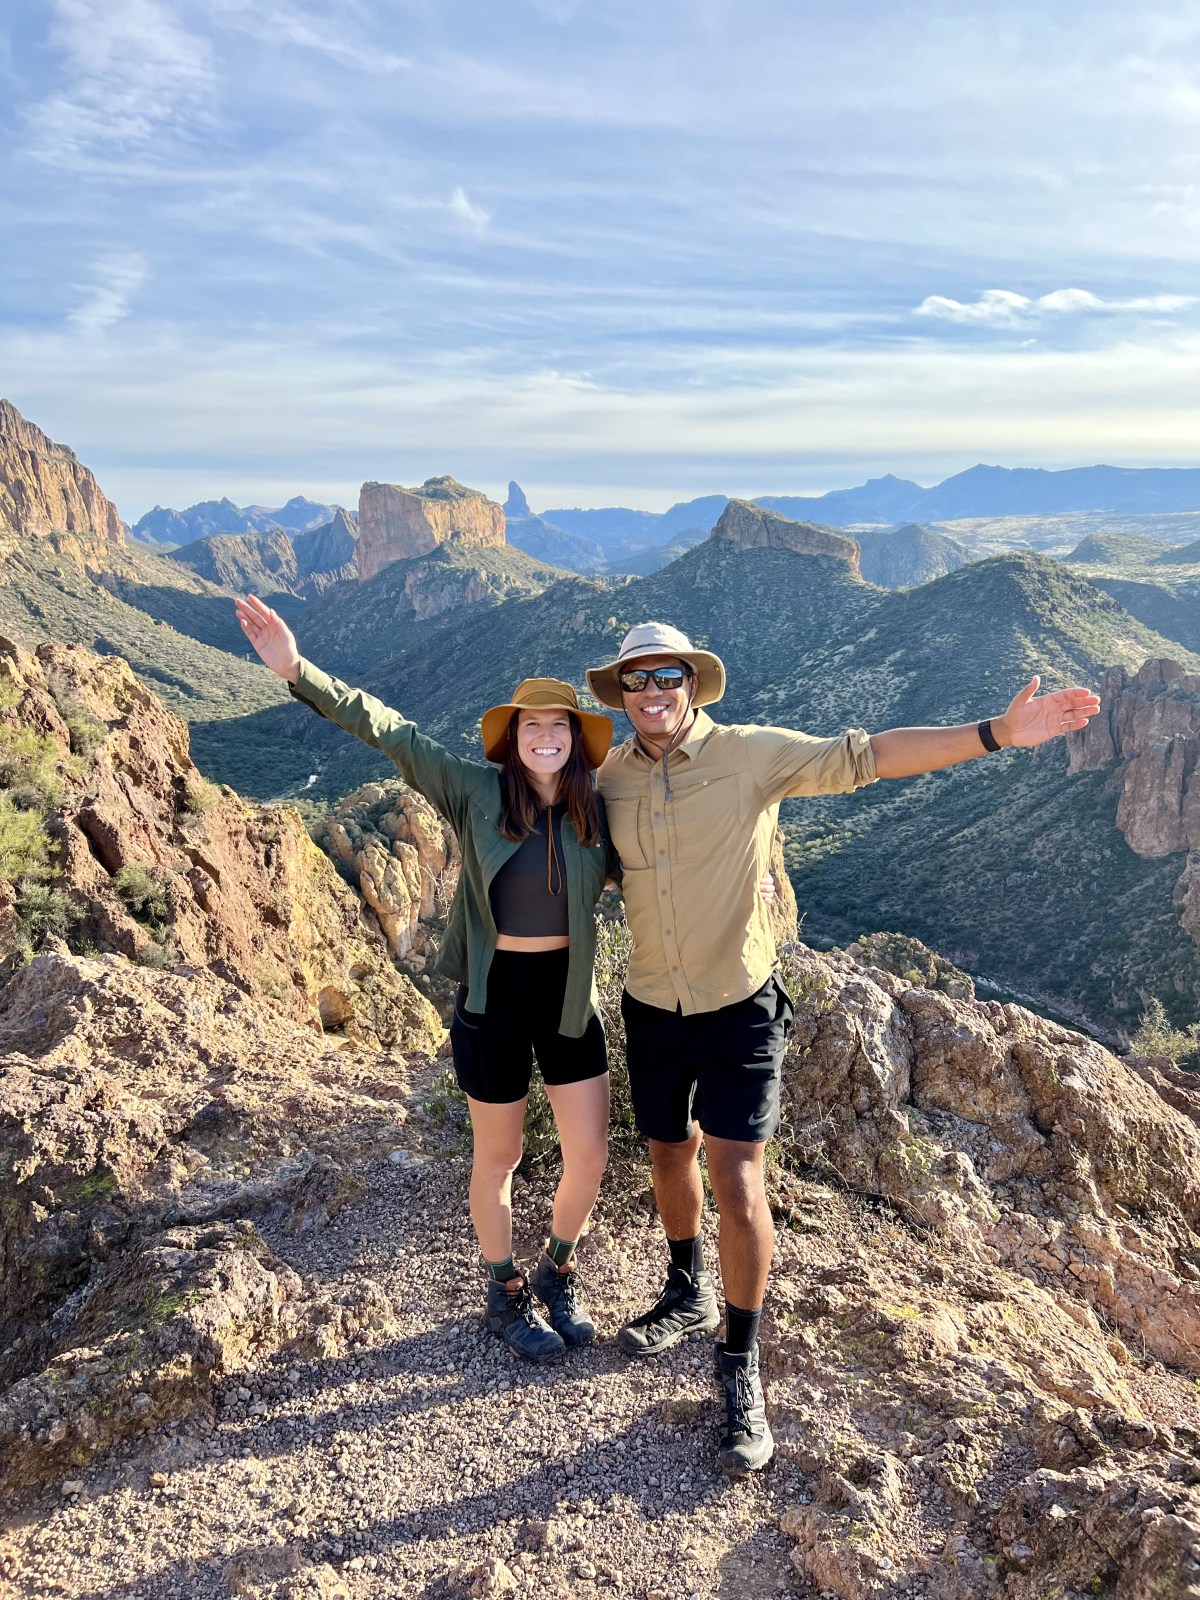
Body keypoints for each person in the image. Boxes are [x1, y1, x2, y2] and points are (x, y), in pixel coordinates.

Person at [586, 621, 1101, 1474]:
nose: (651, 691)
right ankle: (687, 1289)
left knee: (737, 1176)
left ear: (692, 683)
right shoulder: (610, 779)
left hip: (738, 1007)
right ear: (621, 693)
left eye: (666, 675)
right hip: (650, 1003)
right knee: (666, 1155)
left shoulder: (751, 755)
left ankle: (741, 1361)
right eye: (635, 679)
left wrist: (997, 734)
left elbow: (869, 755)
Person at [235, 593, 616, 1365]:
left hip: (571, 1001)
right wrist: (297, 670)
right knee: (498, 1159)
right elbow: (392, 732)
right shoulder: (474, 791)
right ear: (512, 742)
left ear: (576, 743)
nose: (544, 737)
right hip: (494, 999)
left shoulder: (597, 811)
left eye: (558, 727)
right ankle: (504, 1292)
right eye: (531, 726)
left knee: (592, 1157)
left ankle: (558, 1268)